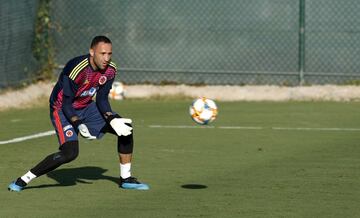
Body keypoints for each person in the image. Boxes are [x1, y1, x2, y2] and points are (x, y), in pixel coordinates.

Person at [8, 35, 149, 191]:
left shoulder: (110, 70)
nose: (106, 58)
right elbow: (67, 104)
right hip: (61, 109)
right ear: (91, 52)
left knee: (125, 130)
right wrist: (78, 124)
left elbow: (102, 99)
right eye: (102, 53)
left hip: (87, 106)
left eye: (109, 54)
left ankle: (126, 179)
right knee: (70, 153)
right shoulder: (77, 68)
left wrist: (112, 118)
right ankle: (23, 179)